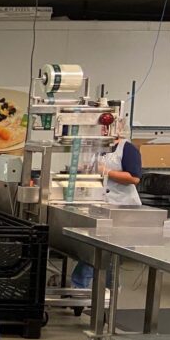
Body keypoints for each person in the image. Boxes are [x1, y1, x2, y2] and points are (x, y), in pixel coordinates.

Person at [71, 116, 142, 290]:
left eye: (105, 128)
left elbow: (134, 178)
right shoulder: (98, 148)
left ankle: (110, 293)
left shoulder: (128, 149)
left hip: (123, 209)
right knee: (92, 250)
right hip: (100, 205)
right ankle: (79, 288)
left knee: (112, 256)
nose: (101, 131)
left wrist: (106, 171)